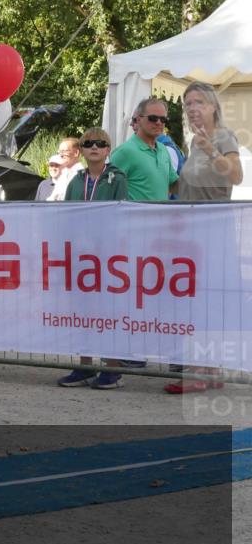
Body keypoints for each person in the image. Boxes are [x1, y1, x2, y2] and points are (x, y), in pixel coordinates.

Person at [166, 81, 243, 395]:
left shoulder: (223, 137)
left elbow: (236, 176)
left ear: (213, 106)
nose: (192, 108)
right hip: (192, 234)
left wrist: (212, 149)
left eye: (198, 101)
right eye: (187, 103)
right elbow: (189, 186)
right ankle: (210, 371)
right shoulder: (191, 143)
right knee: (203, 301)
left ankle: (198, 372)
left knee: (202, 301)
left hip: (213, 233)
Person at [56, 128, 130, 390]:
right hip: (80, 257)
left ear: (108, 149)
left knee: (108, 312)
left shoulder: (117, 178)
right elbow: (67, 215)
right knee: (81, 312)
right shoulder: (76, 181)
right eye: (88, 143)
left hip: (108, 256)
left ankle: (111, 368)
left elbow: (119, 214)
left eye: (101, 143)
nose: (94, 147)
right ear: (82, 150)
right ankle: (84, 365)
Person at [109, 97, 179, 201]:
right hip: (134, 217)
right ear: (138, 120)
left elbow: (174, 185)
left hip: (161, 216)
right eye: (153, 118)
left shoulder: (163, 150)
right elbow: (107, 190)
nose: (159, 123)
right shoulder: (124, 152)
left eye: (163, 119)